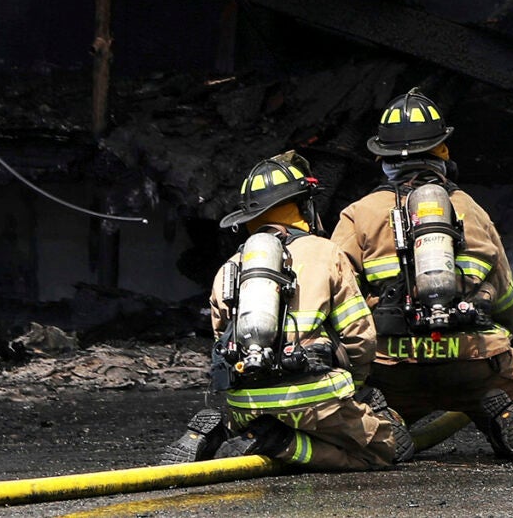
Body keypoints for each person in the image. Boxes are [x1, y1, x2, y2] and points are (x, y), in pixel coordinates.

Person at [331, 88, 513, 461]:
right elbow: (505, 297)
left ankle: (385, 422)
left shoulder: (358, 214)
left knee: (357, 411)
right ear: (442, 151)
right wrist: (512, 345)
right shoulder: (469, 208)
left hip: (391, 371)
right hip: (473, 365)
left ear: (382, 157)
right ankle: (512, 416)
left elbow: (335, 298)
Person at [174, 152, 409, 471]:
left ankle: (229, 433)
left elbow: (220, 341)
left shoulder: (230, 268)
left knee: (274, 425)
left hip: (246, 404)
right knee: (378, 451)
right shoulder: (325, 253)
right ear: (303, 207)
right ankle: (279, 442)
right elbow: (359, 338)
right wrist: (351, 385)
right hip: (314, 397)